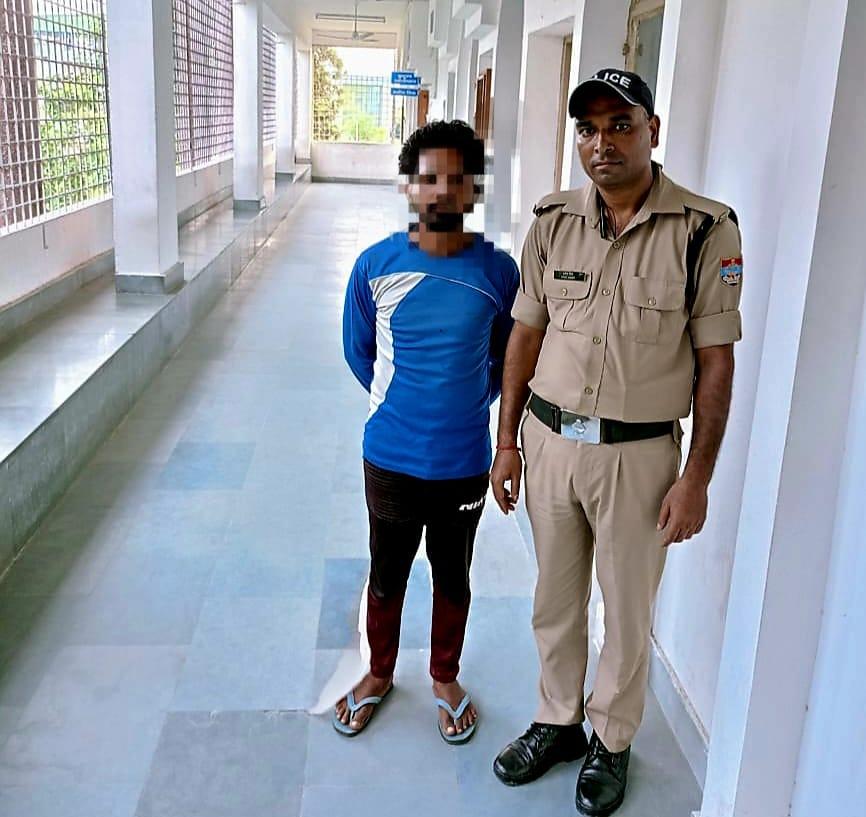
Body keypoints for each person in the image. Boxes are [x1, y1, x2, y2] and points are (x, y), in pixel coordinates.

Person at [490, 69, 744, 816]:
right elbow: (525, 335)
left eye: (620, 125)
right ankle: (557, 719)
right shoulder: (552, 221)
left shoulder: (704, 229)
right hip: (549, 443)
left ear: (652, 131)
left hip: (639, 456)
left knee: (627, 611)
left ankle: (611, 737)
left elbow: (717, 362)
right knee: (553, 598)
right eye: (589, 129)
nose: (602, 143)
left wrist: (696, 478)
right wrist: (507, 442)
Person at [337, 120, 519, 744]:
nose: (443, 189)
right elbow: (359, 351)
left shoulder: (498, 272)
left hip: (463, 461)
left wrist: (465, 403)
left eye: (457, 178)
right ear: (408, 186)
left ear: (475, 188)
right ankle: (379, 672)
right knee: (386, 572)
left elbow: (505, 359)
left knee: (453, 574)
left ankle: (444, 677)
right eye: (429, 177)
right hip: (390, 455)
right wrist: (406, 404)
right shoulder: (374, 265)